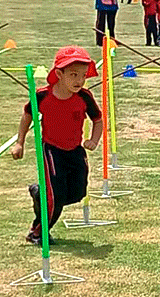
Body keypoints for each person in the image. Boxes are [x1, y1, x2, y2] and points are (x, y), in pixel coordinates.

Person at [11, 46, 101, 245]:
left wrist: (94, 140)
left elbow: (98, 119)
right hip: (51, 150)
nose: (79, 80)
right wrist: (20, 143)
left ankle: (39, 193)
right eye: (74, 75)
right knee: (56, 196)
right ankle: (37, 232)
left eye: (83, 75)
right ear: (59, 74)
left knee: (78, 192)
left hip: (76, 150)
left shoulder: (84, 97)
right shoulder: (43, 96)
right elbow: (27, 115)